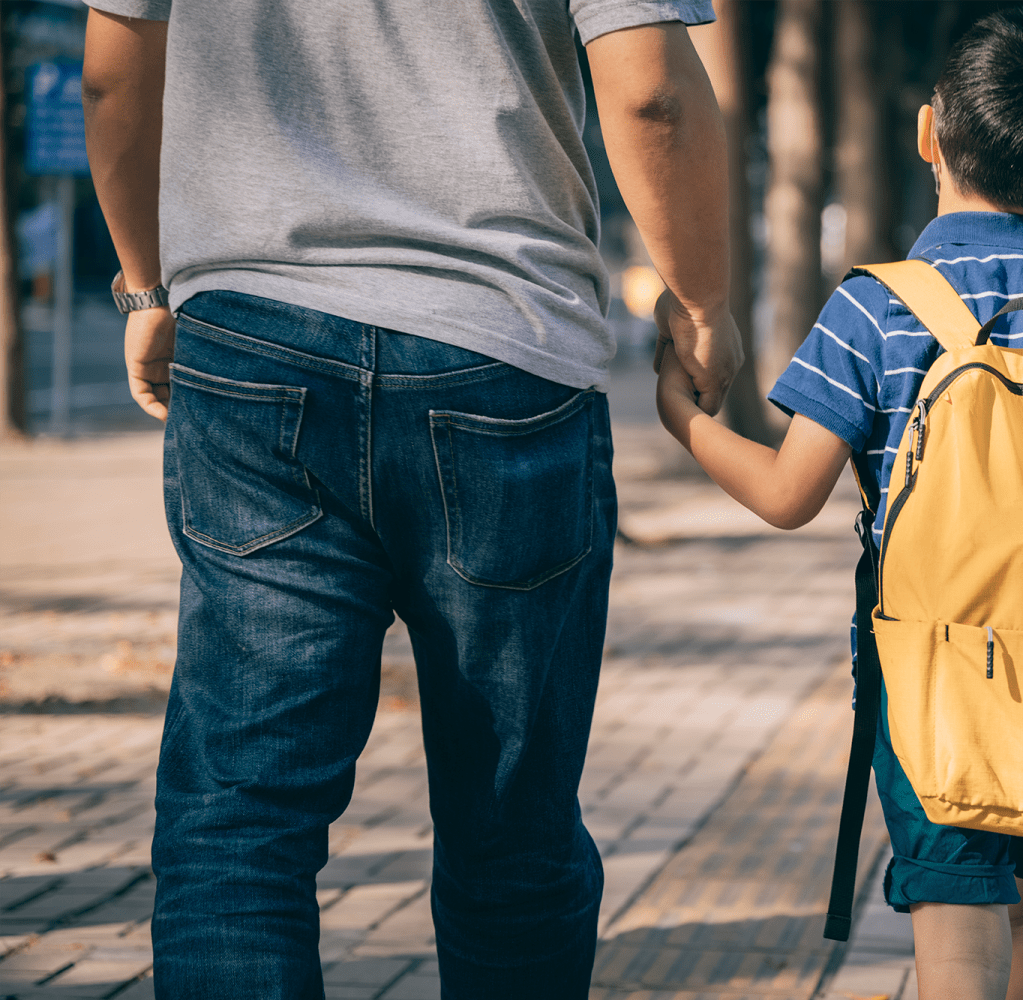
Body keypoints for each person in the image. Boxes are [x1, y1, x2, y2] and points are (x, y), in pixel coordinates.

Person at [80, 1, 742, 995]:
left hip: (254, 337)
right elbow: (651, 91)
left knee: (242, 821)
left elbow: (110, 69)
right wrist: (701, 304)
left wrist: (146, 285)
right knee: (511, 832)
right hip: (503, 350)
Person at [655, 9, 1023, 998]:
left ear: (928, 133)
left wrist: (684, 421)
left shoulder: (877, 306)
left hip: (930, 686)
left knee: (961, 936)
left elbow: (788, 494)